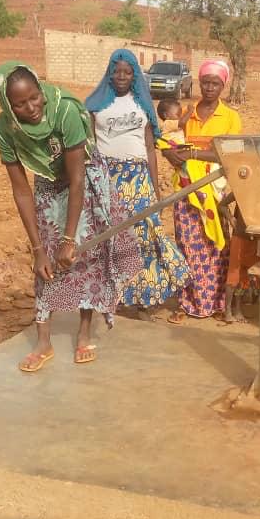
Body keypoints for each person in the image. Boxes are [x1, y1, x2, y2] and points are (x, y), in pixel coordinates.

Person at [0, 61, 141, 371]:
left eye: (34, 97)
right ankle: (43, 341)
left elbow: (77, 181)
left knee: (83, 257)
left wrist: (69, 238)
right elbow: (21, 191)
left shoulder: (65, 111)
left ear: (40, 89)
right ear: (7, 105)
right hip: (47, 179)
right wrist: (38, 249)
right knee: (45, 263)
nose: (31, 107)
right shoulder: (5, 128)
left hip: (85, 177)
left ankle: (84, 333)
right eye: (19, 104)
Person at [85, 50, 190, 320]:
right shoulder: (95, 105)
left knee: (145, 236)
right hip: (109, 178)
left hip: (138, 177)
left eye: (127, 72)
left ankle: (144, 299)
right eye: (117, 71)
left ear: (134, 75)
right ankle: (117, 297)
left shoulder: (142, 104)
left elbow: (150, 149)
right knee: (113, 239)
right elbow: (89, 147)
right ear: (110, 72)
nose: (121, 76)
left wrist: (155, 188)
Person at [162, 59, 242, 323]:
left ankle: (217, 301)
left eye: (215, 83)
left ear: (223, 85)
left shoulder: (230, 118)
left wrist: (195, 153)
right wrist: (172, 153)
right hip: (186, 189)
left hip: (214, 191)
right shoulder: (186, 114)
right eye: (205, 82)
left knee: (216, 244)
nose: (209, 88)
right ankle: (188, 303)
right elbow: (171, 142)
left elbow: (230, 154)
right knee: (187, 245)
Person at [217, 190, 257, 323]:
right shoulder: (241, 187)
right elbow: (222, 205)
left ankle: (238, 309)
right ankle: (228, 310)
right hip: (239, 235)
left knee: (243, 274)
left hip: (254, 237)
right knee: (234, 273)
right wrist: (231, 219)